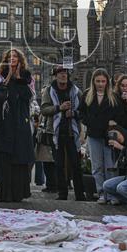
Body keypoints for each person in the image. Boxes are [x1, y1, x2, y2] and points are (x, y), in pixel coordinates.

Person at [0, 49, 35, 202]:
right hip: (5, 122)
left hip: (20, 121)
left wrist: (18, 78)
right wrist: (9, 76)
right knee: (4, 157)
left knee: (19, 156)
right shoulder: (0, 76)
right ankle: (4, 193)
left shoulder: (27, 76)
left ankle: (18, 193)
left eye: (15, 56)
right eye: (9, 57)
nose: (12, 59)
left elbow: (28, 96)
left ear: (20, 60)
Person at [40, 65, 86, 201]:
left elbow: (83, 112)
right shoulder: (49, 91)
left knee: (76, 164)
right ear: (55, 76)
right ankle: (62, 194)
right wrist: (59, 108)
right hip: (55, 132)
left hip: (72, 132)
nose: (63, 75)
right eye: (60, 73)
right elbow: (44, 110)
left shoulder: (76, 91)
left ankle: (80, 194)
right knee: (58, 165)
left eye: (65, 72)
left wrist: (74, 113)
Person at [78, 68, 117, 202]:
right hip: (94, 135)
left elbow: (118, 115)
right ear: (93, 82)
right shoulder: (87, 95)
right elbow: (81, 113)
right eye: (98, 81)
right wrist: (90, 122)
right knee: (97, 166)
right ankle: (101, 192)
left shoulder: (113, 97)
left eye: (103, 81)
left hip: (108, 136)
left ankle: (111, 194)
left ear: (107, 82)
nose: (100, 84)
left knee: (110, 166)